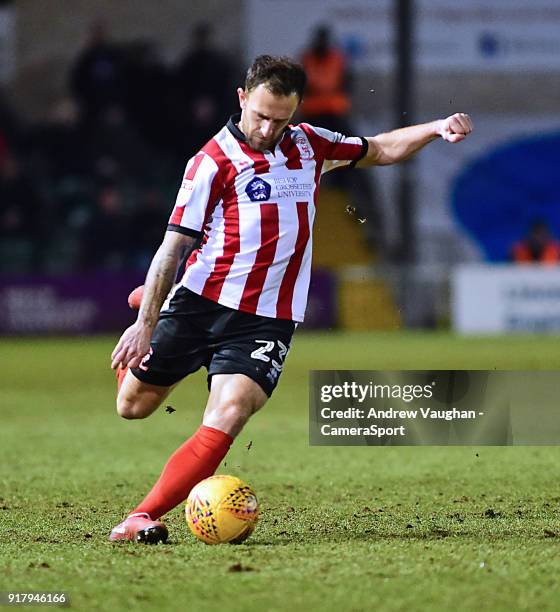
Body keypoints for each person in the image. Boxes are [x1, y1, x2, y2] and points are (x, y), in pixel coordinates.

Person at [109, 55, 473, 543]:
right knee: (132, 407)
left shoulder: (309, 145)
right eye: (259, 115)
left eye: (280, 118)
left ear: (296, 111)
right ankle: (146, 308)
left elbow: (380, 149)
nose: (267, 128)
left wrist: (435, 127)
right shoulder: (211, 162)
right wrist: (146, 324)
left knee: (232, 410)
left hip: (266, 319)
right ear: (242, 98)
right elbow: (171, 247)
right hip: (199, 302)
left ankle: (141, 515)